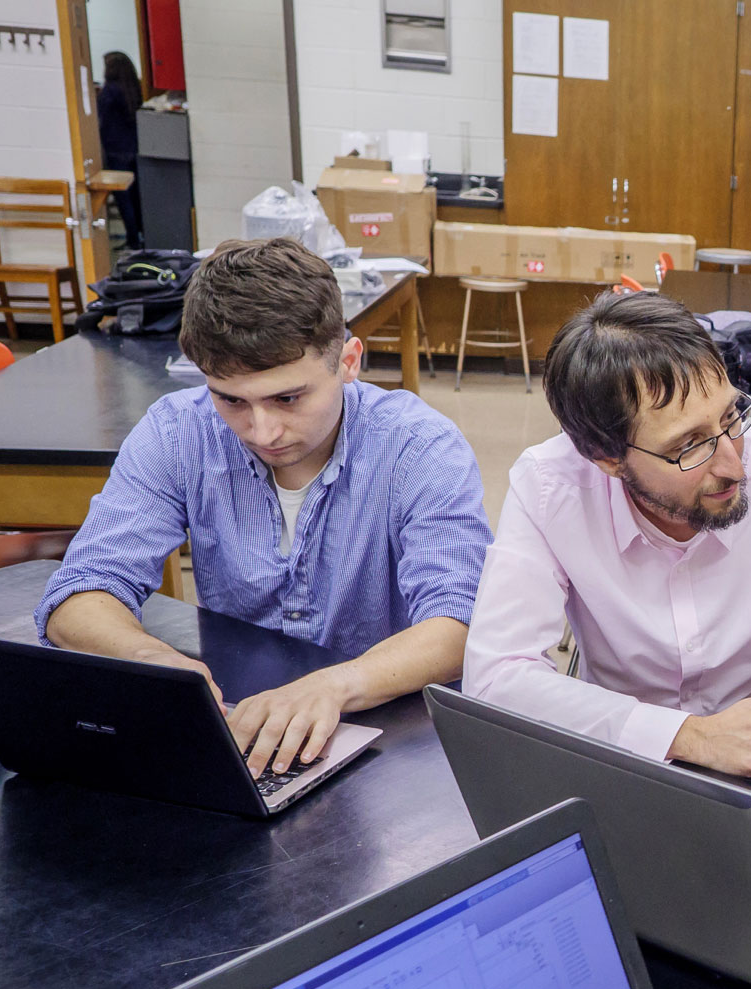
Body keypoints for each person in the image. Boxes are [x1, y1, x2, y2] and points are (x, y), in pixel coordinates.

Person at [38, 238, 493, 776]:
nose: (263, 430)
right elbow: (81, 592)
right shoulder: (177, 431)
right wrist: (151, 660)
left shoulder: (419, 446)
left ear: (349, 361)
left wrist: (333, 685)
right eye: (231, 399)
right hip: (238, 724)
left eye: (288, 398)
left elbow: (459, 623)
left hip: (388, 737)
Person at [464, 291, 751, 815]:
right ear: (607, 458)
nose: (733, 464)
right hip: (618, 753)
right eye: (689, 446)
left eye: (732, 418)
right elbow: (497, 677)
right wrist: (687, 736)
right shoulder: (551, 488)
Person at [96, 51, 144, 250]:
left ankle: (132, 239)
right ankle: (140, 236)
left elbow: (100, 118)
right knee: (135, 197)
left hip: (116, 150)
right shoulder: (132, 88)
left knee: (124, 199)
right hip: (133, 148)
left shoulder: (110, 91)